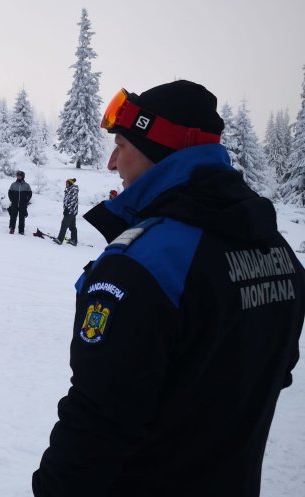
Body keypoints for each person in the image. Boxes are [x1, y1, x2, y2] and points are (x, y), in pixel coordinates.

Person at [33, 80, 305, 497]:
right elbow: (274, 371)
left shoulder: (143, 263)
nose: (112, 163)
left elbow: (95, 424)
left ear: (158, 151)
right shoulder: (279, 253)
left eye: (121, 146)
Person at [54, 178, 78, 245]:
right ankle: (74, 240)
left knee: (64, 224)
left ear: (70, 183)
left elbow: (72, 201)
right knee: (72, 227)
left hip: (70, 211)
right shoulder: (69, 190)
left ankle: (59, 240)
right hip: (72, 211)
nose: (66, 184)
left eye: (67, 183)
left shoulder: (73, 190)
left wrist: (67, 209)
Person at [7, 170, 32, 234]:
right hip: (14, 204)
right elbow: (9, 193)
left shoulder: (27, 185)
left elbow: (30, 194)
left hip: (22, 205)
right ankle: (12, 229)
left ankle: (21, 230)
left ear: (23, 177)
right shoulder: (13, 185)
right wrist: (12, 200)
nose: (18, 177)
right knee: (13, 217)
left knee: (22, 218)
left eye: (20, 176)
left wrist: (26, 201)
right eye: (17, 176)